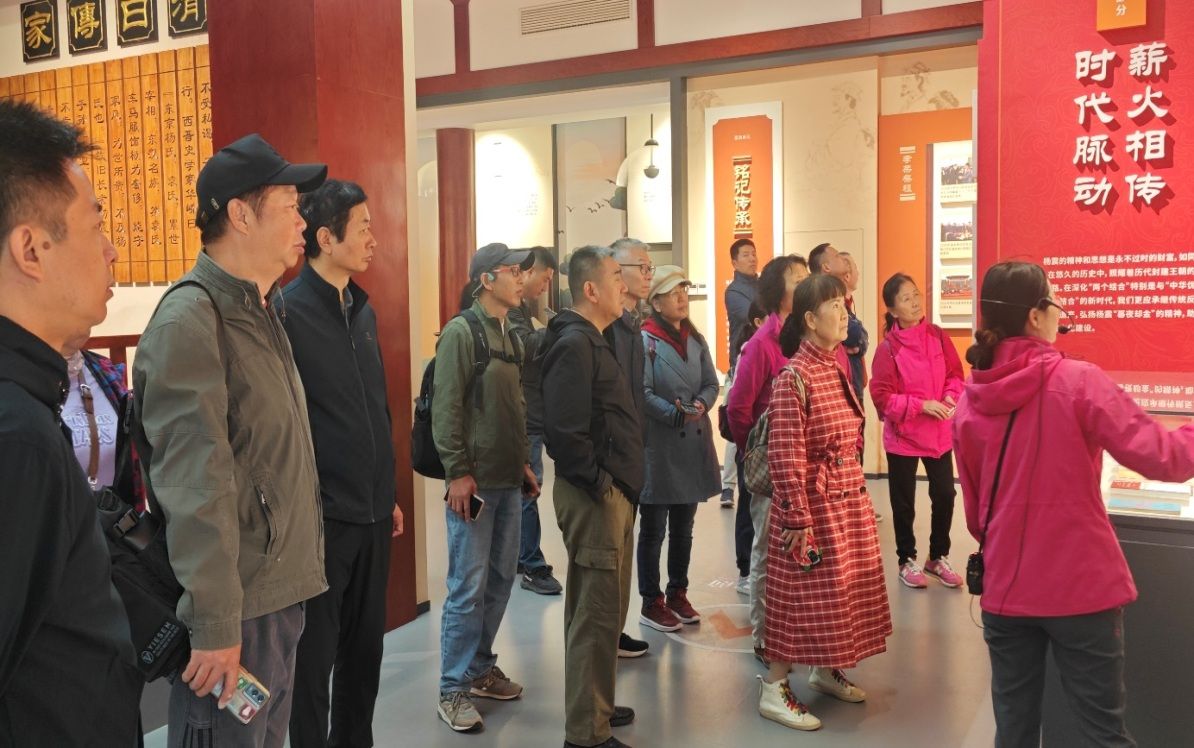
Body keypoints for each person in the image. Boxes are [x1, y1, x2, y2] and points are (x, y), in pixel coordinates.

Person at [134, 133, 330, 747]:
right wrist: (216, 622)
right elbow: (194, 485)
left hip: (276, 594)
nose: (303, 223)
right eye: (290, 207)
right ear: (241, 215)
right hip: (237, 610)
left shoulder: (260, 310)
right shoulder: (192, 321)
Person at [953, 261, 1194, 748]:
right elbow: (1166, 458)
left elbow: (978, 517)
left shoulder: (969, 401)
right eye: (1056, 304)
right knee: (1103, 732)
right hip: (1082, 590)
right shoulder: (1079, 382)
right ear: (1036, 314)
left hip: (1006, 591)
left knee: (1014, 731)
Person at [0, 99, 141, 746]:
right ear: (32, 249)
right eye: (95, 225)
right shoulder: (16, 438)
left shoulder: (29, 402)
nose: (111, 251)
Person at [282, 179, 405, 747]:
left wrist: (388, 492)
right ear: (326, 239)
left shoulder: (361, 307)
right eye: (363, 228)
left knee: (365, 654)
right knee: (313, 661)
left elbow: (375, 408)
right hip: (324, 518)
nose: (373, 240)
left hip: (373, 510)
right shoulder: (287, 312)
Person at [758, 273, 891, 732]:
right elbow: (785, 454)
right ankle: (774, 687)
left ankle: (825, 666)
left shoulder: (835, 365)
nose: (845, 314)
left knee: (839, 592)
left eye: (844, 305)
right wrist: (797, 518)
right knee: (796, 598)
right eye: (835, 306)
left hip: (844, 498)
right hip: (811, 507)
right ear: (811, 320)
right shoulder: (793, 376)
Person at [431, 242, 538, 732]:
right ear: (486, 280)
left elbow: (514, 405)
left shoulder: (510, 332)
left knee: (498, 581)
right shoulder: (461, 332)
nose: (522, 279)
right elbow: (446, 408)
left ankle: (479, 668)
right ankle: (451, 688)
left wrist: (522, 463)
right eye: (512, 271)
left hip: (508, 481)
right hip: (472, 487)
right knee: (467, 587)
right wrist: (456, 471)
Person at [541, 246, 644, 748]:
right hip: (595, 498)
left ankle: (596, 708)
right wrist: (600, 484)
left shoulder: (594, 339)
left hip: (613, 493)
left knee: (607, 613)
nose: (624, 285)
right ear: (590, 289)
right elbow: (564, 433)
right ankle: (585, 733)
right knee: (594, 616)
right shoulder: (574, 345)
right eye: (616, 276)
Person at [726, 255, 803, 663]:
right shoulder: (761, 344)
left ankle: (799, 633)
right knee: (768, 551)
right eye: (797, 278)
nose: (806, 283)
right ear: (777, 291)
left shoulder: (810, 336)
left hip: (807, 467)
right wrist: (754, 451)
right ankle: (765, 635)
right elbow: (738, 408)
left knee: (804, 551)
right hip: (772, 465)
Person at [636, 266, 721, 632]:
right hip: (660, 447)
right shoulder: (645, 340)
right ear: (656, 303)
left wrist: (700, 404)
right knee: (654, 529)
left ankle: (677, 593)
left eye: (683, 290)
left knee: (684, 529)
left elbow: (711, 383)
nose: (682, 297)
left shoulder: (695, 338)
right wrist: (674, 414)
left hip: (692, 443)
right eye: (673, 293)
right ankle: (650, 600)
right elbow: (641, 393)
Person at [870, 273, 964, 589]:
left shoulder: (938, 335)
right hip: (903, 438)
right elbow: (882, 398)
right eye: (906, 298)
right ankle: (906, 559)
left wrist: (949, 398)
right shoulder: (888, 349)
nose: (915, 302)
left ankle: (937, 556)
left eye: (916, 294)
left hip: (938, 434)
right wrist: (921, 406)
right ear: (892, 310)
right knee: (904, 502)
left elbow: (955, 375)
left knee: (945, 494)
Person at [606, 237, 655, 659]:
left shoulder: (632, 326)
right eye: (641, 266)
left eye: (649, 267)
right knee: (606, 563)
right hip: (609, 468)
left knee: (622, 558)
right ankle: (604, 640)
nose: (647, 274)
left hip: (630, 460)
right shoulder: (602, 330)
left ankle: (615, 632)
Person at [507, 246, 563, 596]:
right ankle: (532, 564)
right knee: (528, 489)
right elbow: (527, 347)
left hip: (532, 412)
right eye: (544, 279)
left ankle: (519, 555)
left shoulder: (523, 310)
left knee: (523, 490)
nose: (545, 287)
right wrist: (558, 327)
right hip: (525, 416)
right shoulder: (512, 312)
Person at [835, 252, 869, 402]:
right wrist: (860, 339)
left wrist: (861, 342)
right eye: (855, 267)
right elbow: (855, 335)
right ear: (847, 276)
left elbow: (862, 338)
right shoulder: (840, 306)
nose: (858, 273)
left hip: (855, 384)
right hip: (848, 388)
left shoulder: (849, 306)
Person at [724, 238, 759, 369]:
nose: (752, 259)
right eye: (746, 255)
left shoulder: (763, 285)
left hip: (763, 355)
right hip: (743, 359)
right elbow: (755, 318)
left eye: (754, 254)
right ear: (735, 263)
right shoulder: (733, 291)